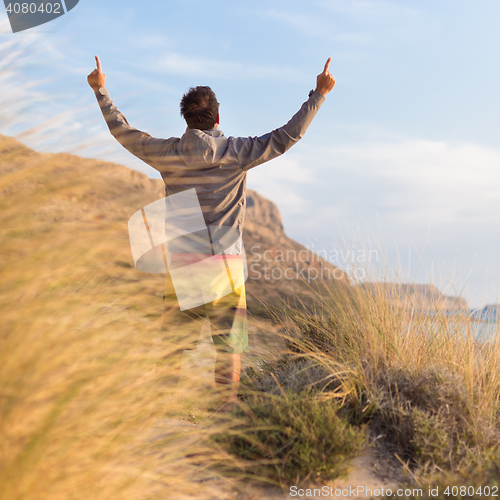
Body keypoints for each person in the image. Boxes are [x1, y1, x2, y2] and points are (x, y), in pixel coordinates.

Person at [87, 56, 335, 410]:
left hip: (183, 261)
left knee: (174, 345)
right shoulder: (236, 152)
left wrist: (101, 90)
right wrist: (318, 95)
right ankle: (223, 412)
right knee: (229, 346)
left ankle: (160, 414)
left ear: (186, 118)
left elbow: (122, 132)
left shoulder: (167, 153)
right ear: (217, 117)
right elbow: (288, 135)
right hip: (225, 264)